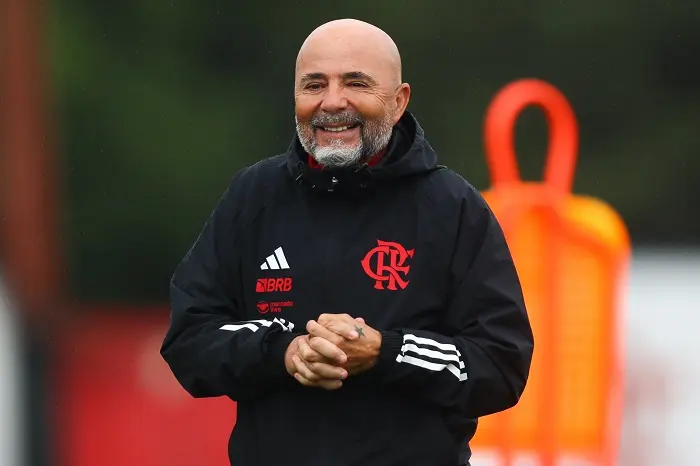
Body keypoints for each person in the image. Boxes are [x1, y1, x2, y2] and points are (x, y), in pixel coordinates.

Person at [161, 18, 534, 466]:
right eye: (314, 85)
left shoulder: (453, 207)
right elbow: (189, 339)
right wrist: (285, 352)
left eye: (356, 82)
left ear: (398, 102)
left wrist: (384, 352)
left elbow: (500, 365)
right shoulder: (253, 196)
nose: (332, 102)